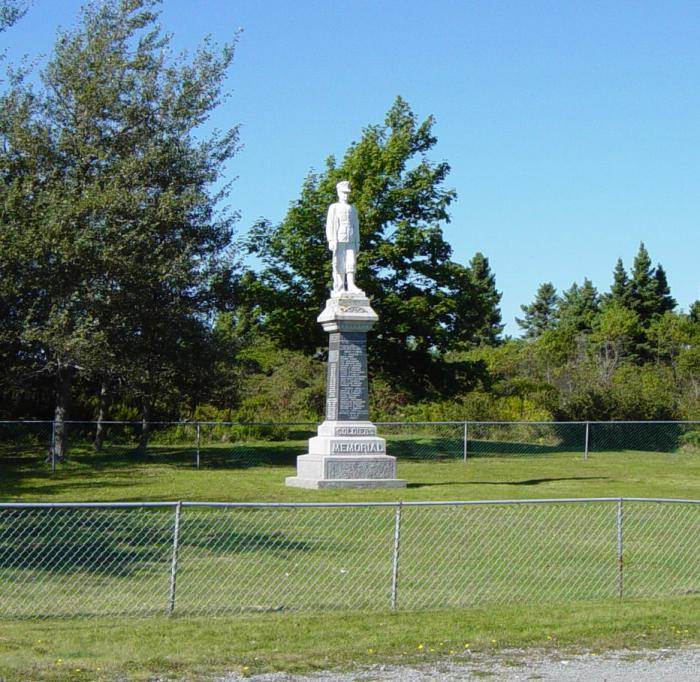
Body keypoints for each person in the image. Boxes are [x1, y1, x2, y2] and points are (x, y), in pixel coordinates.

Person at [325, 180, 362, 294]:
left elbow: (356, 225)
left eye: (347, 193)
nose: (346, 195)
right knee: (339, 263)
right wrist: (331, 239)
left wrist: (357, 242)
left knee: (351, 262)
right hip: (339, 238)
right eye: (343, 193)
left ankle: (351, 285)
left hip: (351, 239)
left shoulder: (353, 208)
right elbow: (330, 224)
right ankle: (340, 286)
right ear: (339, 192)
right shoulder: (334, 207)